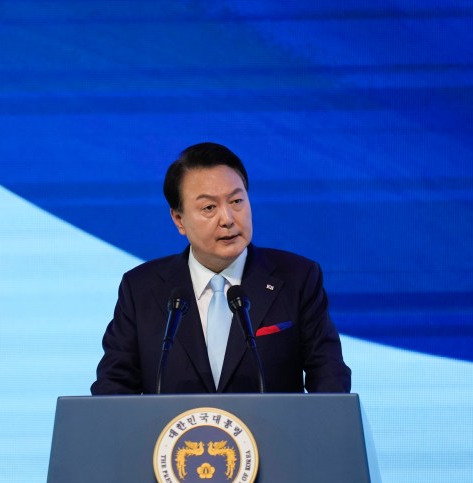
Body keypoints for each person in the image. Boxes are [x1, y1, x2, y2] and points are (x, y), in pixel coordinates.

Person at [91, 142, 350, 395]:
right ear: (179, 219)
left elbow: (329, 378)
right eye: (209, 208)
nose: (227, 219)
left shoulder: (297, 278)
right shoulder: (141, 289)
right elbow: (112, 388)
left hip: (273, 437)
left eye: (236, 201)